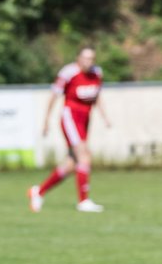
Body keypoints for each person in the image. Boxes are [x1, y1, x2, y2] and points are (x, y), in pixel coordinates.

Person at [28, 46, 112, 213]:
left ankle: (38, 191)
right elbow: (54, 96)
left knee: (71, 164)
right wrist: (46, 121)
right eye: (86, 58)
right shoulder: (68, 73)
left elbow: (97, 96)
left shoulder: (97, 73)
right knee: (85, 155)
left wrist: (104, 116)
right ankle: (83, 201)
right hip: (70, 117)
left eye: (92, 58)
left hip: (85, 118)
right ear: (78, 58)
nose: (89, 62)